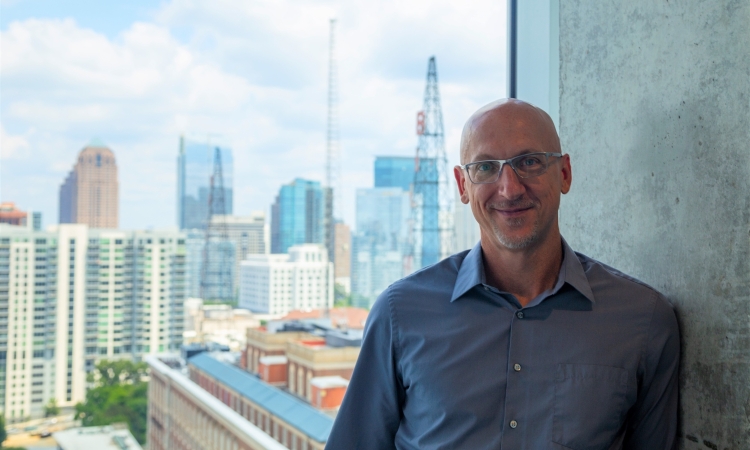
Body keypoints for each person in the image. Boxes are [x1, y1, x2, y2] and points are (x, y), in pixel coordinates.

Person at [326, 99, 680, 449]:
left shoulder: (643, 321)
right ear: (463, 186)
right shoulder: (399, 314)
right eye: (485, 168)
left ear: (565, 174)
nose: (510, 188)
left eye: (529, 162)